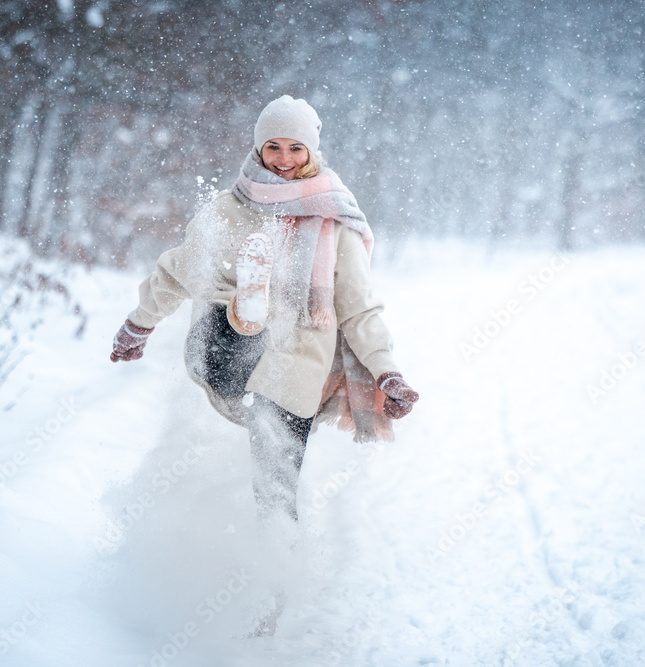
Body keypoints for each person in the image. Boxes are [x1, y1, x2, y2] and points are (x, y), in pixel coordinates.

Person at [109, 94, 418, 567]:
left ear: (312, 152)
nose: (284, 160)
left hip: (294, 363)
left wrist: (386, 369)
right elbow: (176, 272)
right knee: (228, 343)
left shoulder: (333, 220)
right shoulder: (226, 210)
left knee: (275, 482)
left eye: (295, 148)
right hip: (225, 347)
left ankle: (276, 585)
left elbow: (358, 308)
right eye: (272, 147)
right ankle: (246, 315)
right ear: (256, 149)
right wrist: (139, 324)